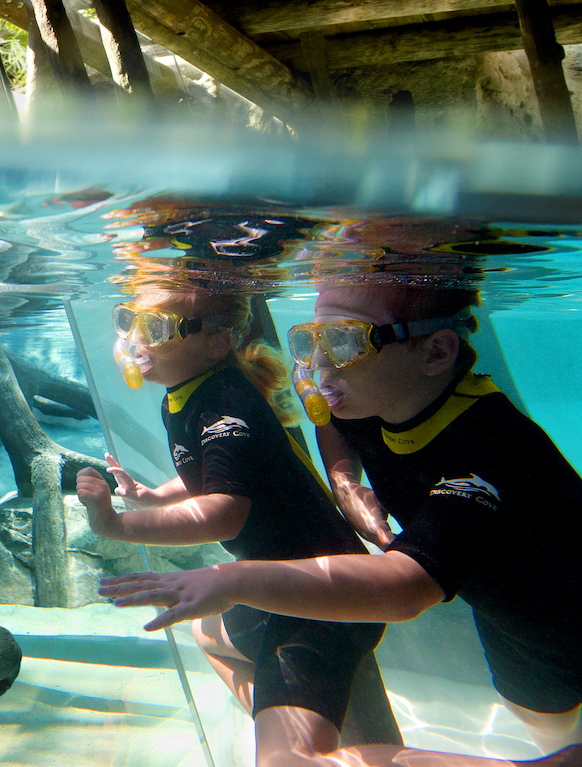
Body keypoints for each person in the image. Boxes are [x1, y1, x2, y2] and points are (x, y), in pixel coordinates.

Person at [100, 281, 582, 767]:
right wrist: (347, 484)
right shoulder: (378, 398)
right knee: (552, 726)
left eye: (347, 342)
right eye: (313, 340)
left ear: (437, 352)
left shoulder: (490, 447)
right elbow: (333, 431)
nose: (319, 364)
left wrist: (228, 579)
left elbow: (404, 588)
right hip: (513, 619)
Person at [76, 282, 394, 766]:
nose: (136, 341)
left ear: (217, 342)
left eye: (157, 328)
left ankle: (317, 743)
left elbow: (224, 513)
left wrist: (116, 525)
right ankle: (282, 713)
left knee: (283, 762)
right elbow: (217, 475)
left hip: (321, 596)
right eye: (129, 322)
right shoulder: (181, 396)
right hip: (271, 588)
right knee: (207, 635)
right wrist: (152, 496)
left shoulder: (227, 402)